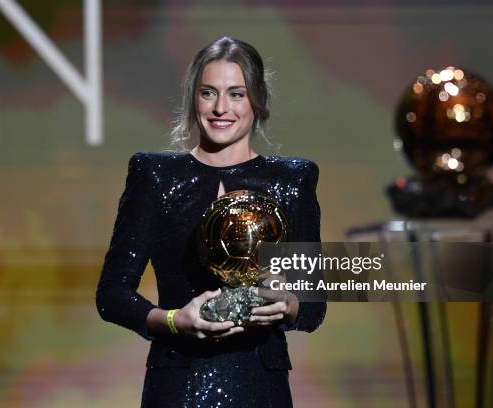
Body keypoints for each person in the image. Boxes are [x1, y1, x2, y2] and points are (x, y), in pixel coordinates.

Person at [96, 36, 326, 407]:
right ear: (193, 99)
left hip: (260, 383)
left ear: (258, 100)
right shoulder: (155, 175)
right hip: (177, 381)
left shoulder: (292, 181)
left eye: (236, 93)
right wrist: (173, 321)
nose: (221, 107)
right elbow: (111, 295)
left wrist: (288, 303)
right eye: (208, 93)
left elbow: (314, 304)